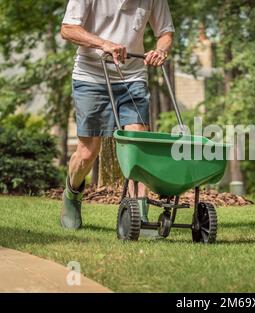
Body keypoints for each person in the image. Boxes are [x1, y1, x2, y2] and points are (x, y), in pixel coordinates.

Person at [60, 0, 174, 229]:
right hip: (90, 77)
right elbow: (68, 29)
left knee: (137, 147)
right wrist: (104, 44)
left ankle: (138, 217)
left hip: (132, 78)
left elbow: (166, 32)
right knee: (87, 153)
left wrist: (160, 50)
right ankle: (72, 194)